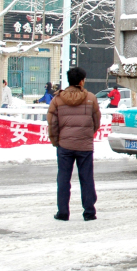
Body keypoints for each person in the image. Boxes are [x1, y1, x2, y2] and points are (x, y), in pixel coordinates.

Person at [47, 67, 101, 221]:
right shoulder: (91, 98)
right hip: (85, 146)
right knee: (87, 179)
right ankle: (89, 212)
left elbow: (52, 123)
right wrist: (87, 135)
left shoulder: (57, 99)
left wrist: (56, 141)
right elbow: (96, 122)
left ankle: (63, 212)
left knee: (63, 179)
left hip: (65, 146)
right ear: (82, 81)